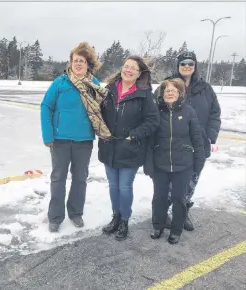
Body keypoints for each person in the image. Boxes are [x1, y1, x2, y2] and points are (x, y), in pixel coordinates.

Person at [40, 42, 111, 233]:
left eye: (82, 61)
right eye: (75, 60)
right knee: (58, 178)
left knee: (80, 178)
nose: (78, 64)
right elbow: (46, 107)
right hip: (60, 140)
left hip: (84, 141)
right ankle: (55, 217)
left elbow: (102, 111)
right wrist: (48, 134)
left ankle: (76, 213)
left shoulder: (94, 85)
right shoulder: (60, 83)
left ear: (88, 64)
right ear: (70, 63)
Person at [154, 51, 221, 231]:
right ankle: (164, 213)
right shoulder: (166, 85)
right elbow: (154, 109)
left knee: (190, 183)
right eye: (183, 63)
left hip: (198, 145)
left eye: (190, 63)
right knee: (169, 184)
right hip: (171, 146)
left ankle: (181, 214)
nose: (186, 67)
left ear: (195, 66)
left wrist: (209, 136)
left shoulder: (205, 88)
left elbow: (215, 113)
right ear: (178, 65)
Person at [99, 56, 160, 241]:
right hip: (109, 146)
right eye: (126, 66)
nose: (128, 70)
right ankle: (115, 216)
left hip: (130, 148)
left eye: (133, 68)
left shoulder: (144, 94)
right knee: (113, 185)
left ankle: (124, 219)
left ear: (139, 73)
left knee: (125, 187)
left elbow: (153, 121)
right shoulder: (108, 90)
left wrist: (133, 135)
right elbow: (98, 113)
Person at [145, 78, 205, 244]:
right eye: (166, 90)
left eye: (173, 90)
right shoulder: (156, 111)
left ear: (179, 93)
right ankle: (158, 226)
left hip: (184, 164)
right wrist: (148, 164)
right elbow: (149, 141)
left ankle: (176, 230)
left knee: (180, 198)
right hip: (160, 164)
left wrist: (198, 163)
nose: (169, 93)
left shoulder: (189, 112)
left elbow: (197, 139)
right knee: (159, 197)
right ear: (162, 93)